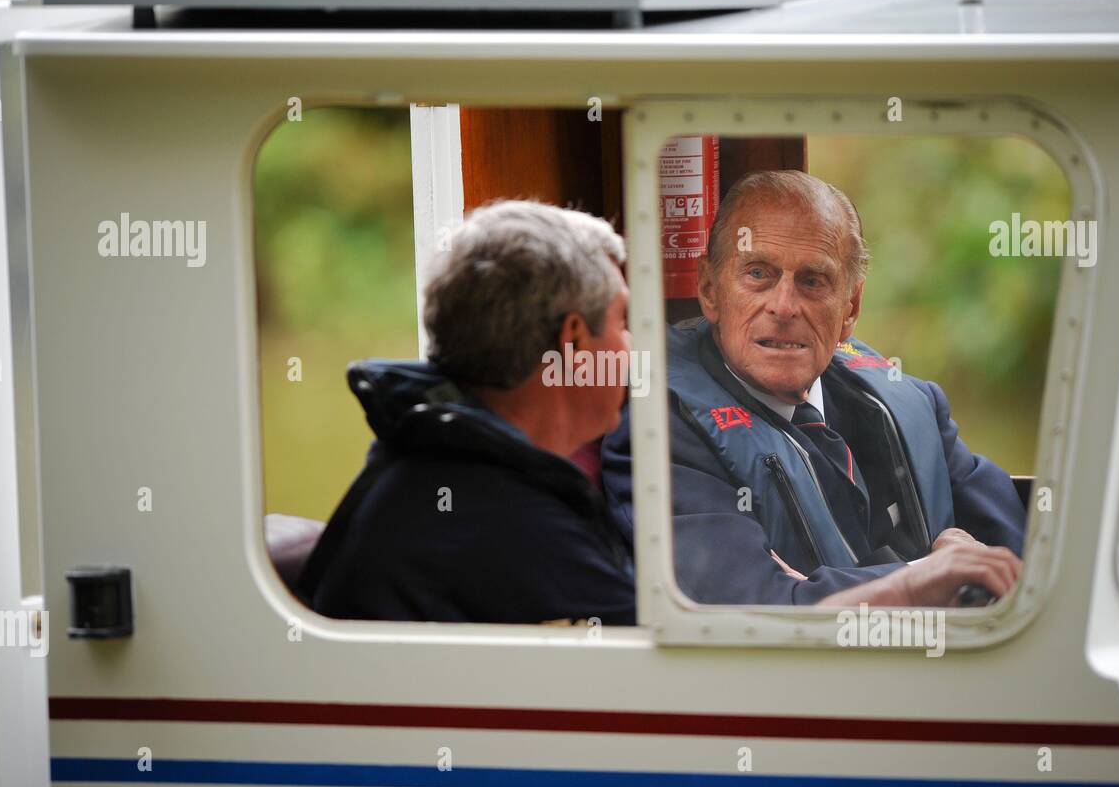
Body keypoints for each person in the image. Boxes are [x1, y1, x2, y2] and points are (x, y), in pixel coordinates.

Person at [602, 170, 1025, 607]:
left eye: (813, 281)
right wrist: (924, 577)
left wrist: (816, 588)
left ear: (851, 307)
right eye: (758, 273)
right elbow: (754, 608)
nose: (783, 307)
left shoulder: (915, 404)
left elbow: (1017, 559)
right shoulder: (661, 429)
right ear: (710, 290)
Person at [303, 200, 636, 625]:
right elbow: (668, 673)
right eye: (621, 320)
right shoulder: (515, 525)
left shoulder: (430, 460)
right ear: (572, 343)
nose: (630, 346)